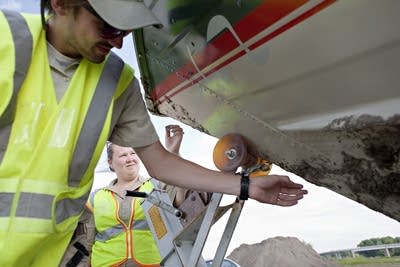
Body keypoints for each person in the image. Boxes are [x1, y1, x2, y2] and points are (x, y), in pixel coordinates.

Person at [0, 1, 307, 266]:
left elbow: (160, 162)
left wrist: (245, 186)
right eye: (109, 26)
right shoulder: (6, 40)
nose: (118, 42)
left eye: (126, 31)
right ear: (61, 3)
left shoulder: (116, 82)